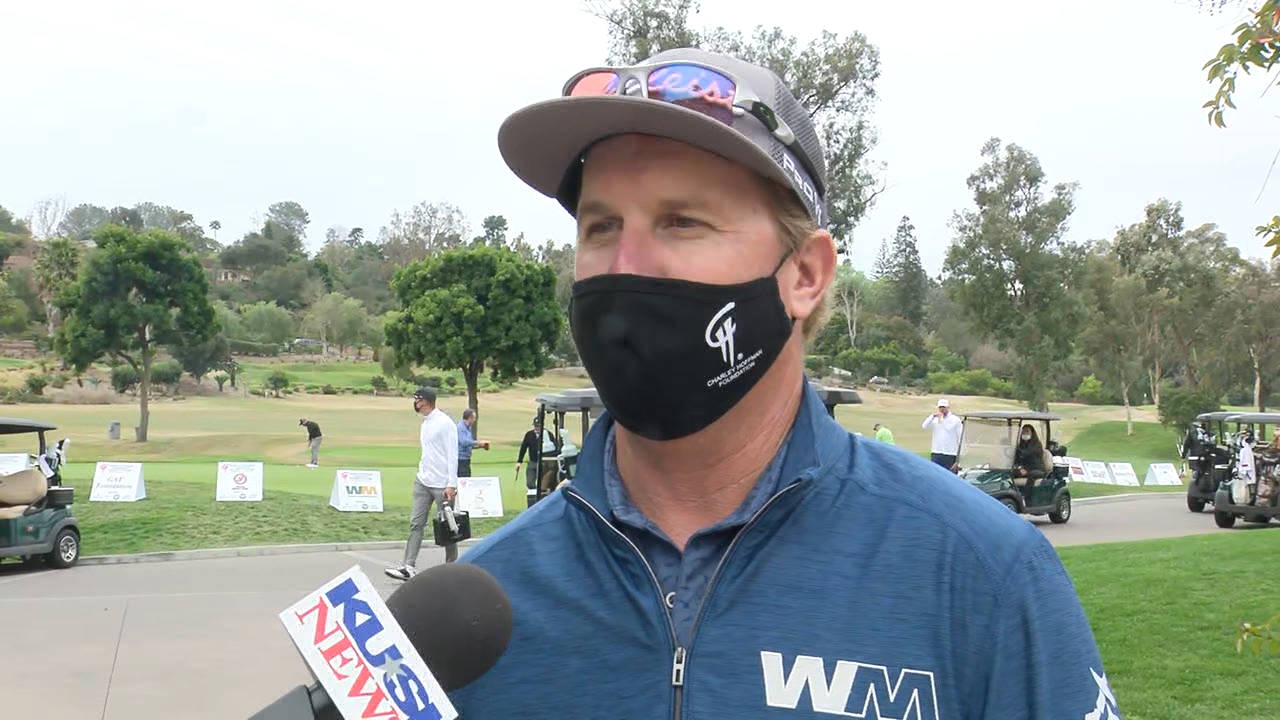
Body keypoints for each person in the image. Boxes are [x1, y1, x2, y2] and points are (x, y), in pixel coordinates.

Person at [451, 48, 1118, 718]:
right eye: (600, 227)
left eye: (680, 222)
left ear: (804, 275)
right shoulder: (481, 614)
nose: (625, 264)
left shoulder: (981, 574)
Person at [386, 387, 458, 580]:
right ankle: (408, 566)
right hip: (423, 481)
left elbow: (453, 454)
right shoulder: (425, 423)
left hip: (442, 484)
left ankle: (452, 566)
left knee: (448, 527)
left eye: (417, 399)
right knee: (416, 523)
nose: (415, 402)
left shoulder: (445, 423)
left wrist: (451, 484)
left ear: (425, 401)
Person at [921, 398, 963, 471]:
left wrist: (959, 455)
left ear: (948, 408)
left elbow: (959, 436)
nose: (942, 409)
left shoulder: (955, 420)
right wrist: (932, 416)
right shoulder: (935, 419)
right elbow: (924, 426)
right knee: (935, 472)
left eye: (944, 407)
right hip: (937, 451)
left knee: (949, 474)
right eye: (940, 407)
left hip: (950, 453)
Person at [456, 408, 490, 478]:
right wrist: (478, 442)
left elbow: (469, 445)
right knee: (463, 482)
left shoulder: (468, 428)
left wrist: (481, 446)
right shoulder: (460, 428)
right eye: (474, 418)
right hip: (460, 460)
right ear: (469, 418)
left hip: (466, 460)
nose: (475, 420)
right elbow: (464, 442)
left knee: (467, 480)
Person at [515, 417, 541, 491]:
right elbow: (523, 448)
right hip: (532, 462)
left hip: (544, 463)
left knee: (543, 485)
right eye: (536, 426)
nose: (537, 428)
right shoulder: (529, 434)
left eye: (538, 426)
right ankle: (534, 497)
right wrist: (519, 461)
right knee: (529, 483)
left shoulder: (548, 434)